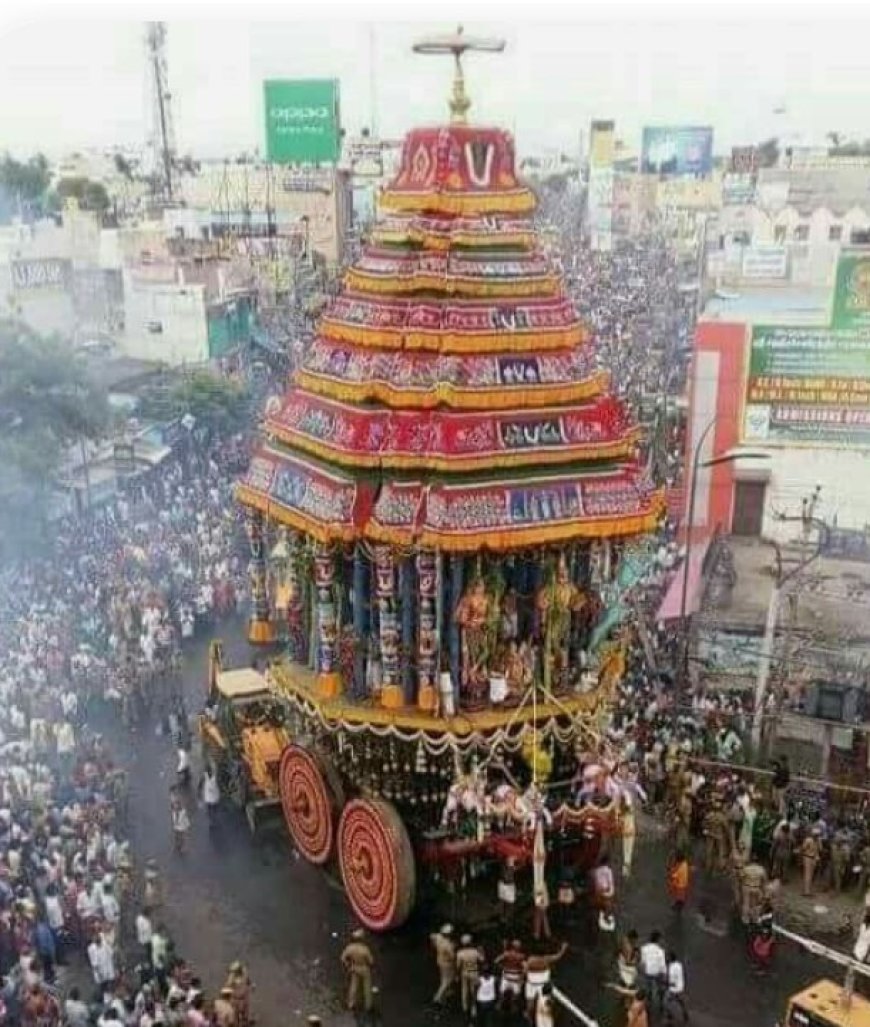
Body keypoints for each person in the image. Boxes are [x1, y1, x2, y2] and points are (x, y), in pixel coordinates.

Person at [341, 928, 374, 1014]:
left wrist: (348, 965)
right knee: (367, 987)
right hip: (364, 968)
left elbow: (343, 958)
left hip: (354, 967)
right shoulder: (365, 949)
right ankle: (368, 1006)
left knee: (354, 986)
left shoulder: (350, 948)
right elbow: (371, 961)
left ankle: (351, 1004)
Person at [455, 934, 483, 1019]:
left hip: (464, 972)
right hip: (474, 972)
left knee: (464, 990)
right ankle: (473, 1007)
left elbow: (458, 965)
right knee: (473, 990)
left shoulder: (460, 953)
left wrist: (457, 975)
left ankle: (465, 1007)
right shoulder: (475, 952)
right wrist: (481, 951)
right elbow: (482, 960)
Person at [639, 931, 667, 1012]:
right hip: (658, 972)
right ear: (658, 940)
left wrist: (643, 971)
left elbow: (643, 962)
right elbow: (662, 964)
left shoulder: (643, 948)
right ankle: (661, 1003)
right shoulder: (660, 950)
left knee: (649, 989)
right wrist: (664, 974)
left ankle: (648, 1004)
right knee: (660, 989)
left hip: (648, 972)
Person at [430, 924, 456, 1006]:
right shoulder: (447, 945)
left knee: (443, 977)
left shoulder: (438, 938)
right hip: (447, 963)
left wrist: (434, 944)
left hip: (440, 960)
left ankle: (447, 991)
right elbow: (452, 956)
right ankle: (438, 997)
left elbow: (432, 936)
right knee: (448, 980)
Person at [664, 952, 689, 1024]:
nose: (666, 958)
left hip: (673, 990)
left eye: (668, 957)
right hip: (680, 988)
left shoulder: (671, 968)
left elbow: (672, 982)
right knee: (682, 1002)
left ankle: (669, 1016)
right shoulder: (679, 965)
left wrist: (666, 983)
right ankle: (685, 1014)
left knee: (665, 1002)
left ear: (670, 959)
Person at [199, 763, 221, 828]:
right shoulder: (215, 776)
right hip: (214, 797)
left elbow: (200, 785)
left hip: (209, 798)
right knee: (214, 809)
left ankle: (212, 820)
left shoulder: (205, 776)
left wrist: (199, 795)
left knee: (210, 810)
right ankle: (213, 819)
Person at [800, 831, 821, 897]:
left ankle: (807, 890)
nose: (816, 836)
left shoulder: (818, 841)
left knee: (810, 875)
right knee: (807, 875)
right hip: (808, 857)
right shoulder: (809, 840)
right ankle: (807, 891)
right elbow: (803, 848)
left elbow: (820, 849)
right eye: (816, 835)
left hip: (813, 858)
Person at [169, 789, 191, 853]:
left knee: (183, 837)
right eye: (174, 805)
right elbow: (173, 818)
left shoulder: (183, 812)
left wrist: (187, 827)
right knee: (177, 836)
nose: (175, 806)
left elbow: (186, 820)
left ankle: (183, 847)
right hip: (176, 826)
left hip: (182, 827)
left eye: (177, 805)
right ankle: (177, 845)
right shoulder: (173, 812)